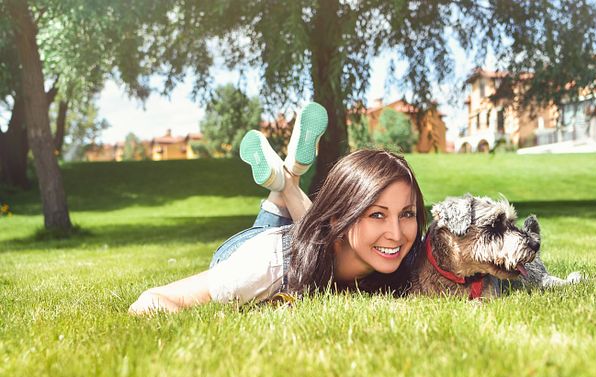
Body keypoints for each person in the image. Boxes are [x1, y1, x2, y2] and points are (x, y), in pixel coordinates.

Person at [129, 102, 426, 314]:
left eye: (407, 214)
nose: (396, 233)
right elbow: (152, 300)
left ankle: (286, 179)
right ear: (340, 217)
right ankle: (285, 181)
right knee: (301, 243)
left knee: (313, 234)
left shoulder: (409, 255)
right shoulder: (263, 265)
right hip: (251, 249)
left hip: (311, 241)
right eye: (377, 214)